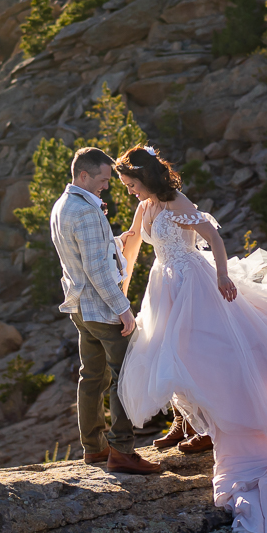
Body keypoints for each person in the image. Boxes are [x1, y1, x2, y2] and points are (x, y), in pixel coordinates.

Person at [111, 144, 267, 533]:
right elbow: (131, 248)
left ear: (147, 178)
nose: (128, 190)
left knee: (207, 356)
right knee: (172, 358)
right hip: (164, 288)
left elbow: (213, 236)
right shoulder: (144, 206)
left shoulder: (175, 201)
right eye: (125, 184)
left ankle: (226, 428)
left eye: (130, 183)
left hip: (194, 285)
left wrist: (221, 276)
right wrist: (122, 293)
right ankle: (196, 425)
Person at [49, 146, 163, 476]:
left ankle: (94, 448)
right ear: (83, 176)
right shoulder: (85, 211)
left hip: (80, 307)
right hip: (100, 308)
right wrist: (123, 309)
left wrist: (115, 241)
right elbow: (97, 270)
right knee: (124, 375)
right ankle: (122, 451)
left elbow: (82, 253)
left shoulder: (64, 205)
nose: (106, 185)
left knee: (92, 376)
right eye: (102, 179)